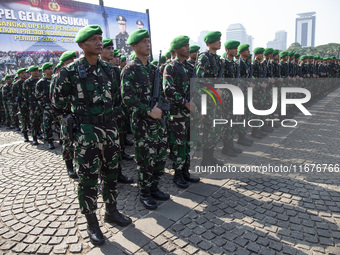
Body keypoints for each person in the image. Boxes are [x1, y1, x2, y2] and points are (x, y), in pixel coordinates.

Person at [52, 25, 131, 246]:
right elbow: (57, 104)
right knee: (87, 180)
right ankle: (91, 221)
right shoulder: (69, 73)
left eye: (100, 38)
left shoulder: (110, 70)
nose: (99, 43)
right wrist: (74, 121)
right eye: (93, 39)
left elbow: (117, 97)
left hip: (110, 130)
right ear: (81, 45)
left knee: (111, 174)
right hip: (86, 134)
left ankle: (111, 210)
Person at [121, 29, 169, 210]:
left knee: (160, 158)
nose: (148, 45)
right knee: (145, 161)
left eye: (149, 41)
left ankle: (154, 188)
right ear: (134, 46)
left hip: (158, 122)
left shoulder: (152, 69)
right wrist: (148, 111)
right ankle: (145, 193)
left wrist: (161, 109)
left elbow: (162, 94)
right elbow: (127, 98)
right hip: (143, 124)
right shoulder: (130, 69)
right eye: (144, 42)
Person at [163, 35, 200, 189]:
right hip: (178, 114)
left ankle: (186, 171)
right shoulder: (170, 67)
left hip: (190, 113)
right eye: (185, 46)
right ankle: (178, 175)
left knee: (189, 144)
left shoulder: (191, 67)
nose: (188, 48)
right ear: (177, 49)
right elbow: (168, 89)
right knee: (179, 146)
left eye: (188, 45)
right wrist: (185, 103)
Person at [100, 37, 133, 183]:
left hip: (115, 116)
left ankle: (118, 173)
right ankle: (103, 178)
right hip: (99, 118)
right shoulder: (95, 69)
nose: (111, 51)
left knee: (116, 146)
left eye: (112, 48)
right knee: (100, 150)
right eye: (107, 48)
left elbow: (120, 93)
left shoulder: (115, 70)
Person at [196, 31, 224, 166]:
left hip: (214, 99)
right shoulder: (204, 58)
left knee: (214, 128)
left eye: (219, 40)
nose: (220, 42)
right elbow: (199, 81)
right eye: (217, 40)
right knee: (207, 128)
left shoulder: (217, 59)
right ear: (209, 43)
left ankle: (211, 157)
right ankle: (205, 160)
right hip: (206, 99)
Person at [35, 62, 55, 149]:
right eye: (49, 69)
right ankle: (50, 141)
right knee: (47, 124)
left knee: (59, 123)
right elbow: (37, 95)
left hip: (56, 105)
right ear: (44, 71)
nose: (51, 70)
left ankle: (62, 139)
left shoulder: (55, 79)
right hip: (47, 106)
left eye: (51, 68)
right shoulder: (41, 83)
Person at [22, 65, 41, 145]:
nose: (36, 72)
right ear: (30, 72)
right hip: (32, 105)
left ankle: (40, 133)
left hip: (40, 104)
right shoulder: (27, 82)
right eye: (34, 71)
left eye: (37, 71)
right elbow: (24, 95)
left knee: (40, 120)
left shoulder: (40, 81)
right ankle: (34, 137)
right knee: (33, 122)